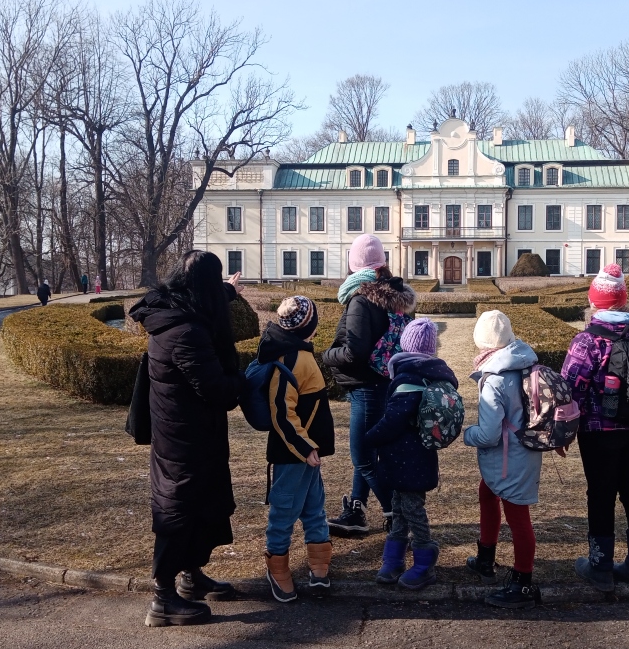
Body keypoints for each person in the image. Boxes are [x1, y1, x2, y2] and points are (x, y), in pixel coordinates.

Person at [128, 251, 245, 627]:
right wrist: (246, 379)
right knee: (178, 508)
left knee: (200, 502)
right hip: (184, 439)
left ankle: (191, 577)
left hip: (188, 432)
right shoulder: (185, 333)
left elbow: (201, 299)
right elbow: (219, 390)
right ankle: (163, 599)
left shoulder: (174, 311)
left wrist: (227, 291)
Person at [560, 264, 629, 594]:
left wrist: (562, 432)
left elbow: (570, 390)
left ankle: (600, 568)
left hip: (599, 431)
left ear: (594, 302)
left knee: (601, 495)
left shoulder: (588, 341)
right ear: (623, 299)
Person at [322, 234, 416, 535]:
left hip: (366, 387)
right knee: (368, 454)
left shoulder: (362, 299)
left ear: (354, 265)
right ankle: (356, 511)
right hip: (386, 383)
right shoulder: (396, 296)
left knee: (362, 457)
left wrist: (325, 355)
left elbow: (354, 352)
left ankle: (397, 515)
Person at [365, 318, 458, 590]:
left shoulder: (409, 378)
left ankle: (424, 559)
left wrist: (370, 437)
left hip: (407, 458)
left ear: (405, 344)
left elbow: (394, 420)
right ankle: (393, 558)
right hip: (417, 457)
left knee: (412, 509)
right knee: (399, 506)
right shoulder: (432, 374)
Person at [463, 310, 543, 609]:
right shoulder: (524, 361)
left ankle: (523, 582)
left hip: (510, 456)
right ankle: (485, 557)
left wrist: (467, 434)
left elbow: (488, 435)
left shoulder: (495, 378)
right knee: (487, 491)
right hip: (524, 449)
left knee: (518, 515)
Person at [259, 296, 336, 603]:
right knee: (284, 511)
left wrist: (310, 449)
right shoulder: (289, 358)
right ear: (309, 327)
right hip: (293, 454)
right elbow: (281, 412)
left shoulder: (299, 352)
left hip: (308, 454)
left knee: (315, 507)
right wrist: (304, 447)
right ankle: (277, 568)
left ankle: (319, 566)